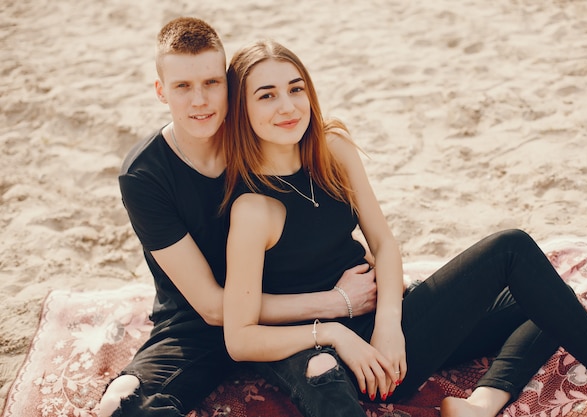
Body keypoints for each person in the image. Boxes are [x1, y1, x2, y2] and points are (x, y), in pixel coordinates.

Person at [220, 38, 587, 417]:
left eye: (295, 89)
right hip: (322, 350)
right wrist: (336, 335)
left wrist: (389, 326)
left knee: (541, 288)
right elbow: (240, 339)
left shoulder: (332, 151)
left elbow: (383, 242)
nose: (288, 106)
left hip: (389, 331)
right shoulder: (253, 208)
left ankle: (484, 403)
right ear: (242, 109)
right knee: (322, 373)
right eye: (267, 95)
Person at [96, 17, 378, 417]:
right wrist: (335, 302)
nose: (200, 101)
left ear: (230, 86)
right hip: (196, 323)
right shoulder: (145, 175)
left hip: (282, 305)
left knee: (323, 376)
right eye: (183, 86)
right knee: (118, 404)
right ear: (161, 91)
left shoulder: (258, 135)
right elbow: (212, 306)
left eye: (212, 83)